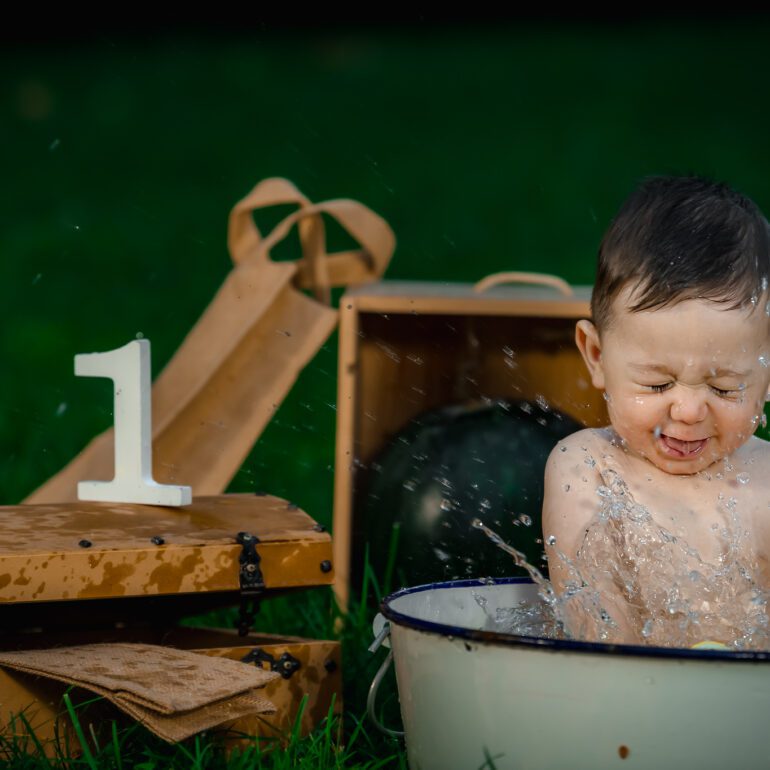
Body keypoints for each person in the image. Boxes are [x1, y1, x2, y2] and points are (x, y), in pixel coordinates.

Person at [542, 175, 770, 649]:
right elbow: (596, 631)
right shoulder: (587, 468)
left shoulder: (764, 481)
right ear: (597, 357)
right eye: (657, 384)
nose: (688, 410)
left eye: (724, 388)